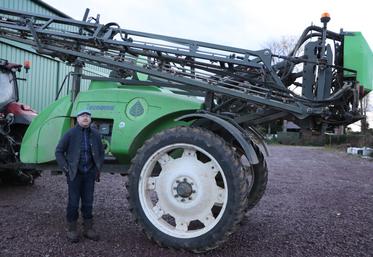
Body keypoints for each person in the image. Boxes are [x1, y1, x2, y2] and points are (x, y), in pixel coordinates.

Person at [55, 109, 104, 243]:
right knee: (73, 202)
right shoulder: (70, 134)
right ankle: (72, 229)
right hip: (74, 175)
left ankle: (88, 229)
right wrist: (66, 169)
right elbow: (58, 151)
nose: (85, 118)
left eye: (88, 116)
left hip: (89, 174)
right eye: (82, 116)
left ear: (90, 119)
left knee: (88, 202)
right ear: (77, 119)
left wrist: (97, 168)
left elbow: (101, 151)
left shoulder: (95, 134)